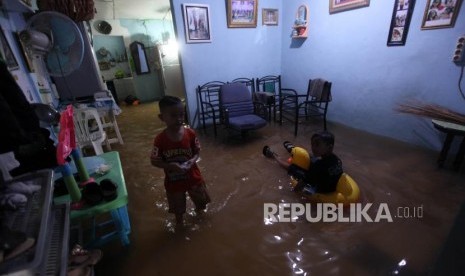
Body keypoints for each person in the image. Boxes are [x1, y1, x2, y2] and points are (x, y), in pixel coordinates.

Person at [150, 96, 211, 225]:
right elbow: (154, 161)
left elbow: (197, 152)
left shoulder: (190, 133)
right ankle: (180, 227)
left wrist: (191, 161)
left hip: (193, 177)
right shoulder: (160, 140)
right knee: (178, 211)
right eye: (173, 116)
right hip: (174, 182)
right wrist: (169, 165)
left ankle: (202, 223)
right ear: (162, 118)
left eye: (181, 115)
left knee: (201, 204)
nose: (179, 119)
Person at [264, 131, 343, 195]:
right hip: (325, 182)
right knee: (311, 158)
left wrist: (292, 193)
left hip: (319, 189)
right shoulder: (338, 160)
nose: (313, 147)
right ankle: (292, 150)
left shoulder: (318, 166)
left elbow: (302, 183)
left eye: (317, 145)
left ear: (329, 147)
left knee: (293, 167)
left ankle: (273, 155)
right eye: (312, 144)